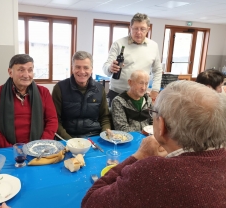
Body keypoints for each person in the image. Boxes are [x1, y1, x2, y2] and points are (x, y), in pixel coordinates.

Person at [82, 80, 226, 207]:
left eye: (154, 112)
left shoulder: (154, 172)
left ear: (161, 125)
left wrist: (139, 156)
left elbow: (91, 202)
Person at [0, 54, 58, 148]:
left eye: (30, 70)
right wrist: (10, 148)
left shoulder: (43, 93)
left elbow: (52, 120)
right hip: (7, 149)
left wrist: (41, 144)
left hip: (39, 148)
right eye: (21, 70)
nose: (26, 75)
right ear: (10, 72)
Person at [103, 13, 162, 106]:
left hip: (140, 96)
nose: (138, 32)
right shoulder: (118, 44)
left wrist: (155, 89)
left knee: (140, 120)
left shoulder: (153, 46)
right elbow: (105, 68)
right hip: (118, 93)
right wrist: (110, 68)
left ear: (148, 29)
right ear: (130, 27)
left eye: (142, 29)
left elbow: (157, 70)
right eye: (135, 28)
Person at [52, 51, 111, 139]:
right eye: (78, 67)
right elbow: (55, 119)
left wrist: (104, 135)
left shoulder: (100, 89)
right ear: (72, 68)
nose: (82, 71)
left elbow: (104, 118)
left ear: (91, 69)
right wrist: (70, 141)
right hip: (68, 137)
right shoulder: (60, 88)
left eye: (86, 68)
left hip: (94, 137)